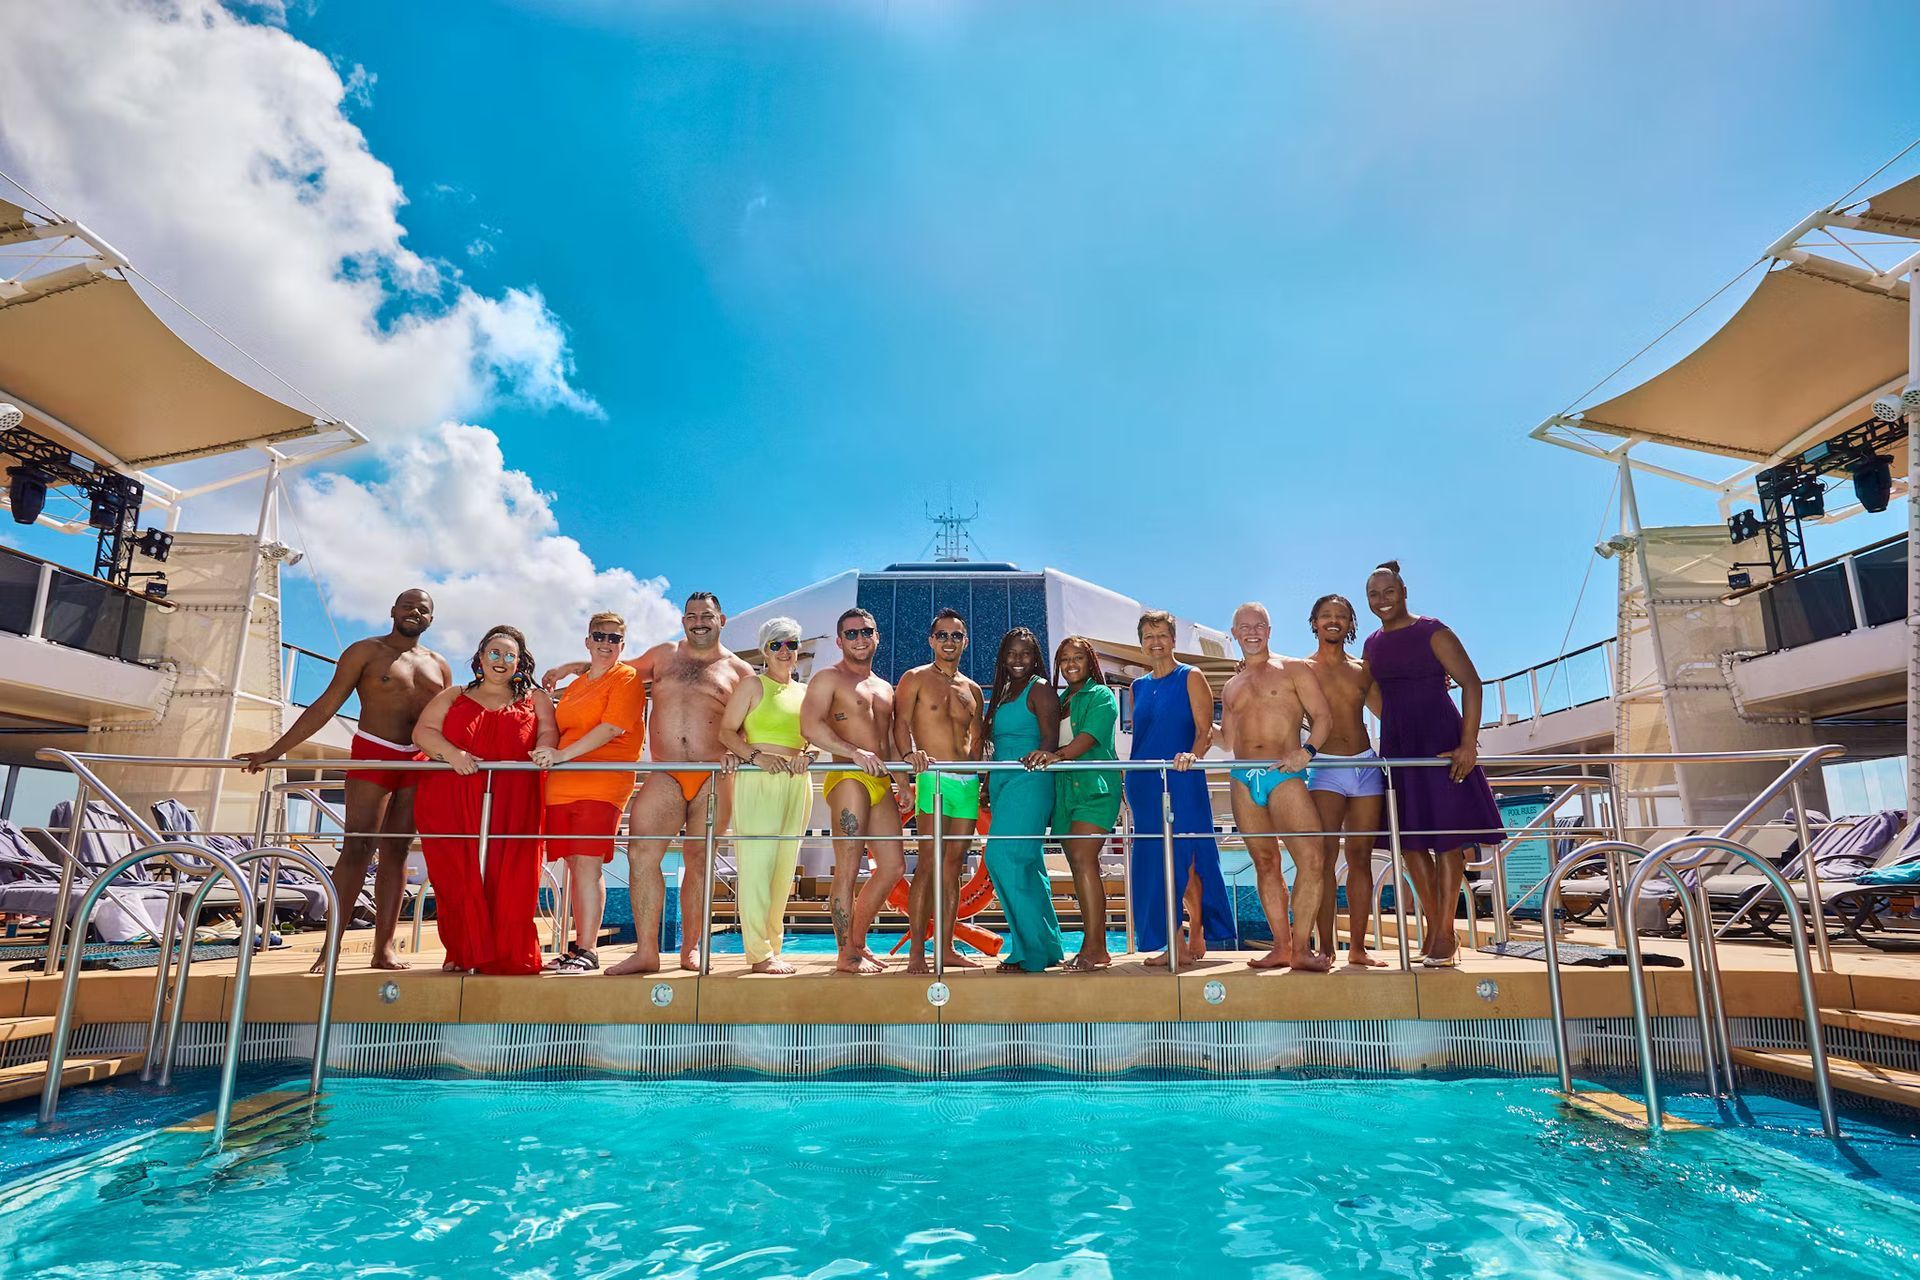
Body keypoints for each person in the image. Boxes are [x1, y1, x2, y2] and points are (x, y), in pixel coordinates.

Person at [237, 588, 451, 971]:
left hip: (419, 761)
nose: (414, 612)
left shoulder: (439, 665)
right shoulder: (365, 651)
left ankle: (383, 948)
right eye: (407, 605)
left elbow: (448, 721)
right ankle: (329, 948)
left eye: (423, 609)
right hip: (375, 752)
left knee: (398, 852)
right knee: (357, 848)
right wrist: (275, 750)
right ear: (392, 609)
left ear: (431, 620)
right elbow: (326, 703)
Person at [543, 591, 753, 974]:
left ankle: (691, 947)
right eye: (691, 615)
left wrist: (740, 752)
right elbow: (613, 669)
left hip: (712, 773)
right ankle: (646, 952)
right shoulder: (663, 656)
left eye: (706, 615)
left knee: (699, 860)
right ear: (683, 620)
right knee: (640, 853)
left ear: (723, 619)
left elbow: (753, 726)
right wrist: (572, 666)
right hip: (666, 771)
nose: (698, 621)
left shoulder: (740, 671)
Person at [1363, 560, 1504, 968]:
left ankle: (1443, 932)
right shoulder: (1371, 642)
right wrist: (1390, 720)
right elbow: (1370, 692)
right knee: (1410, 844)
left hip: (1441, 741)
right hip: (1399, 746)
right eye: (1374, 594)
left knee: (1447, 841)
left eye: (1388, 591)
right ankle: (1436, 927)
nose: (1382, 600)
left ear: (1403, 592)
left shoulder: (1432, 631)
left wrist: (1467, 744)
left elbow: (1471, 683)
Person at [412, 625, 556, 976]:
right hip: (454, 795)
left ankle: (508, 954)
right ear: (479, 657)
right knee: (456, 875)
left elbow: (548, 729)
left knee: (511, 875)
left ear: (520, 662)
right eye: (494, 652)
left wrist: (546, 746)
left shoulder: (535, 698)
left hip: (515, 797)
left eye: (510, 655)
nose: (501, 660)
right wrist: (452, 753)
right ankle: (462, 949)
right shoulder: (454, 694)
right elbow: (422, 733)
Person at [1219, 603, 1335, 972]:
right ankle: (1282, 947)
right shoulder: (1231, 685)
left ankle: (1302, 948)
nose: (1252, 632)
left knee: (1312, 859)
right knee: (1265, 863)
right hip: (1241, 778)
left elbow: (1322, 716)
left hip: (1284, 772)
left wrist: (1308, 751)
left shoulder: (1293, 669)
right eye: (1244, 627)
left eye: (1259, 625)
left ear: (1269, 630)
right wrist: (1194, 739)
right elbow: (1225, 739)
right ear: (1234, 633)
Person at [531, 612, 645, 974]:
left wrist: (562, 755)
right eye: (600, 636)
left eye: (614, 639)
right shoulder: (579, 683)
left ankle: (588, 950)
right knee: (573, 864)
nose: (606, 643)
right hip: (561, 786)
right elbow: (589, 672)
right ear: (588, 640)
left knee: (588, 862)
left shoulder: (626, 678)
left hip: (602, 783)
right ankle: (575, 947)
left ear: (622, 646)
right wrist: (567, 667)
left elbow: (611, 728)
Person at [1123, 610, 1236, 966]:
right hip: (1143, 784)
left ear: (1173, 639)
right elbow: (1140, 737)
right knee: (1155, 864)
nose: (1155, 642)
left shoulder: (1192, 676)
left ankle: (1198, 927)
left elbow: (1204, 731)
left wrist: (1192, 754)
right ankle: (1174, 944)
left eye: (1161, 635)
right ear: (1141, 642)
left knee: (1188, 860)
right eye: (1148, 636)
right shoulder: (1136, 686)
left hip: (1182, 778)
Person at [800, 608, 906, 975]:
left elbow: (890, 741)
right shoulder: (828, 679)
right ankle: (846, 954)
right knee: (847, 868)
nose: (859, 638)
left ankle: (857, 943)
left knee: (893, 866)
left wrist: (903, 782)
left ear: (877, 636)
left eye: (866, 632)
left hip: (880, 781)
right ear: (839, 640)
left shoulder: (884, 687)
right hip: (848, 776)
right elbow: (810, 727)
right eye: (851, 633)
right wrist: (854, 753)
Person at [717, 616, 818, 975]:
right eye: (777, 644)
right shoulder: (751, 686)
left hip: (795, 782)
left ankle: (772, 948)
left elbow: (812, 739)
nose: (786, 651)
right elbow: (727, 733)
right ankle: (758, 953)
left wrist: (810, 755)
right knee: (757, 867)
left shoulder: (805, 692)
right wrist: (757, 757)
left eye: (792, 644)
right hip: (758, 778)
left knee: (782, 869)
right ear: (764, 650)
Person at [892, 608, 984, 974]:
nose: (949, 641)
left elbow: (976, 740)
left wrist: (983, 777)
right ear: (931, 640)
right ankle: (917, 952)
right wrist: (907, 756)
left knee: (953, 868)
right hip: (933, 777)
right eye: (942, 635)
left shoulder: (972, 689)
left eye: (956, 636)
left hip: (966, 782)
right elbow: (899, 725)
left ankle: (944, 948)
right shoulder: (914, 678)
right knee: (928, 864)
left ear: (965, 641)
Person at [1025, 636, 1121, 970]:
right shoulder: (1062, 699)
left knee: (1083, 859)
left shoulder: (1102, 696)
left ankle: (1096, 948)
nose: (1070, 664)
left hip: (1095, 791)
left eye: (1077, 657)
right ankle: (1093, 945)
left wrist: (1055, 756)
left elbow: (1086, 741)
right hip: (1066, 795)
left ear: (1090, 660)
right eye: (1064, 659)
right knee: (1080, 867)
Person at [1304, 593, 1390, 969]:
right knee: (1323, 859)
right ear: (1314, 623)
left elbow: (1390, 711)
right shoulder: (1301, 669)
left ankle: (1357, 947)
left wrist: (1432, 688)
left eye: (1341, 616)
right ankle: (1326, 948)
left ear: (1351, 624)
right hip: (1325, 767)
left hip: (1365, 765)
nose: (1333, 621)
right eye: (1326, 615)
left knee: (1360, 858)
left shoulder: (1362, 670)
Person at [983, 628, 1066, 973]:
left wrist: (1040, 755)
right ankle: (1044, 948)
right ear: (1003, 657)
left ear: (1035, 658)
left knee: (1002, 857)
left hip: (1030, 780)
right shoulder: (1003, 691)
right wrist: (988, 785)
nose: (1018, 661)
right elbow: (997, 745)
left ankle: (1029, 952)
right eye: (1012, 654)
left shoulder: (1041, 689)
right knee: (1029, 866)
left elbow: (1050, 741)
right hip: (1003, 782)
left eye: (1025, 654)